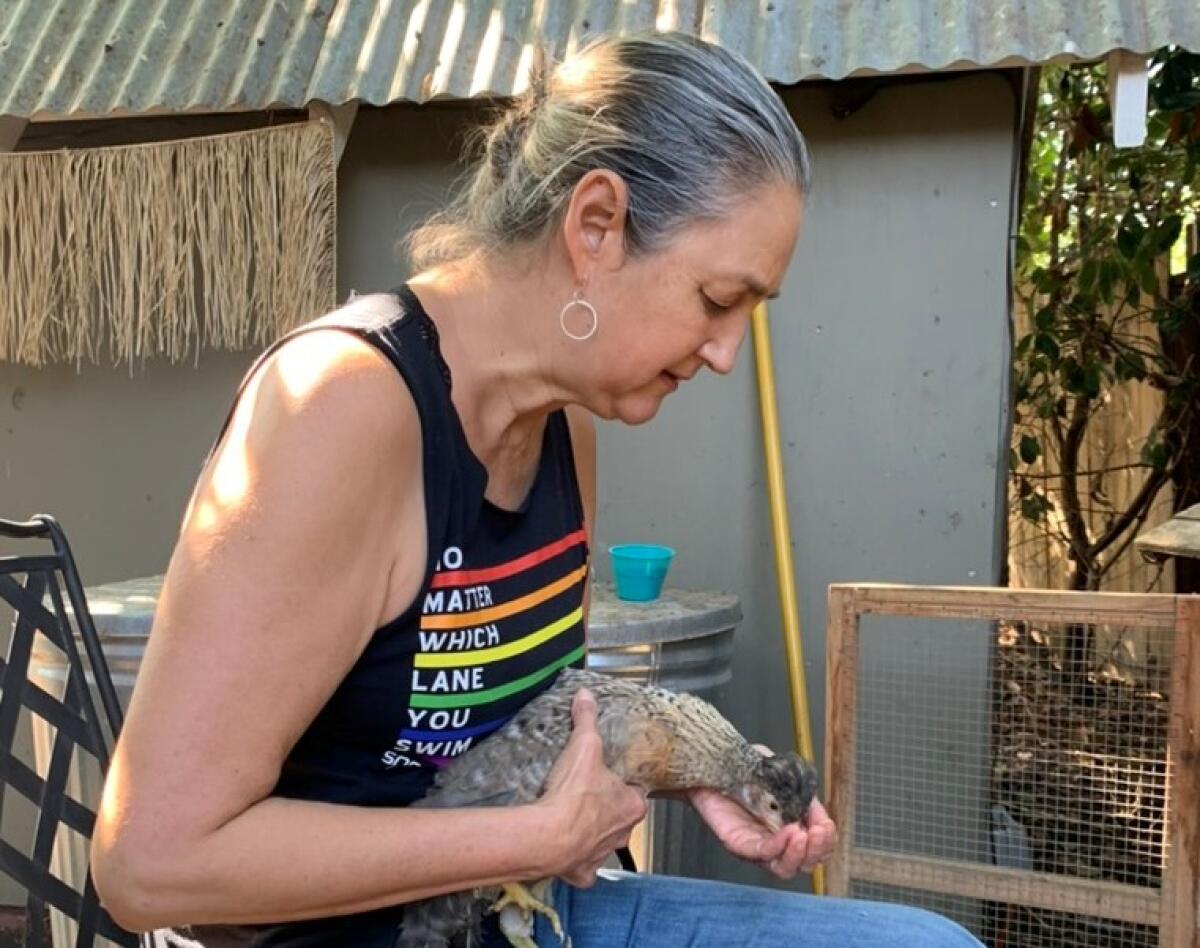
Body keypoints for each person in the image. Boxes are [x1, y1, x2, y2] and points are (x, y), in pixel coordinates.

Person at [91, 32, 983, 948]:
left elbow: (541, 719)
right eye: (719, 300)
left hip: (508, 911)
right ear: (595, 225)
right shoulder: (344, 410)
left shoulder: (567, 427)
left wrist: (718, 771)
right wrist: (537, 837)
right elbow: (149, 865)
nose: (725, 353)